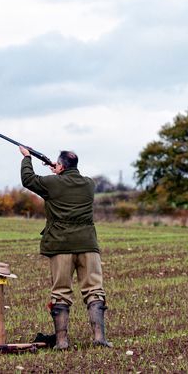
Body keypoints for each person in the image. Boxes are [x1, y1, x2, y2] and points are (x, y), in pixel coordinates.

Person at [19, 146, 112, 349]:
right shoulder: (89, 184)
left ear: (60, 166)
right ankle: (99, 338)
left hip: (61, 246)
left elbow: (28, 180)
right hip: (88, 245)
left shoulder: (52, 183)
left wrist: (27, 158)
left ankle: (61, 341)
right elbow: (67, 182)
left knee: (61, 292)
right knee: (95, 290)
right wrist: (58, 170)